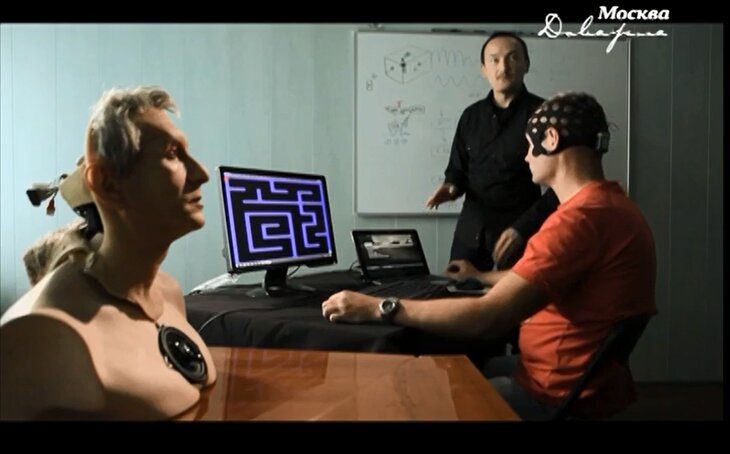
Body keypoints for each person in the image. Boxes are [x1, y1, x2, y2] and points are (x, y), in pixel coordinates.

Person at [323, 92, 657, 420]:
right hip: (583, 379)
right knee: (465, 363)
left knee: (417, 395)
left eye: (530, 145)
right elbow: (543, 277)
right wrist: (481, 277)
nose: (526, 157)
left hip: (553, 394)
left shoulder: (577, 221)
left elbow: (488, 318)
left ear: (551, 139)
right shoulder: (613, 206)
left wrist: (380, 307)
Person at [0, 86, 217, 420]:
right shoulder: (41, 334)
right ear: (107, 184)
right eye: (172, 154)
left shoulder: (169, 293)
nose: (202, 174)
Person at [426, 31, 559, 272]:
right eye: (494, 60)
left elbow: (560, 184)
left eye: (512, 58)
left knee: (515, 295)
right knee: (456, 291)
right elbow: (457, 171)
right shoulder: (471, 116)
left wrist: (523, 228)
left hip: (521, 234)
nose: (503, 67)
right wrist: (450, 189)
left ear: (526, 64)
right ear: (483, 69)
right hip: (471, 235)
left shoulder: (543, 115)